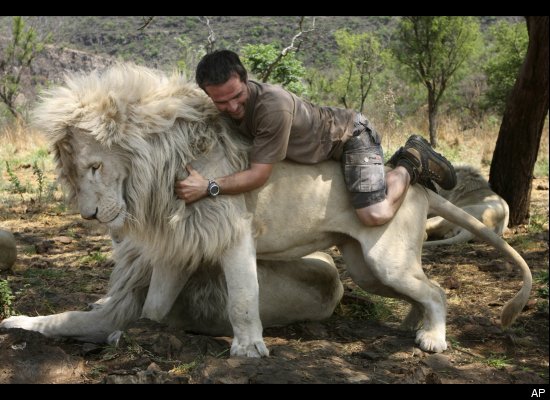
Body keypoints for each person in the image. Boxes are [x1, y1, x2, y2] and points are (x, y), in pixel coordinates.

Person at [175, 49, 456, 227]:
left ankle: (411, 160)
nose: (232, 107)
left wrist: (209, 186)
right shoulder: (220, 106)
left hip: (349, 136)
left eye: (237, 96)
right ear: (208, 95)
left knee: (375, 215)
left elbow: (258, 175)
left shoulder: (272, 106)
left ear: (246, 79)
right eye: (221, 102)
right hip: (317, 143)